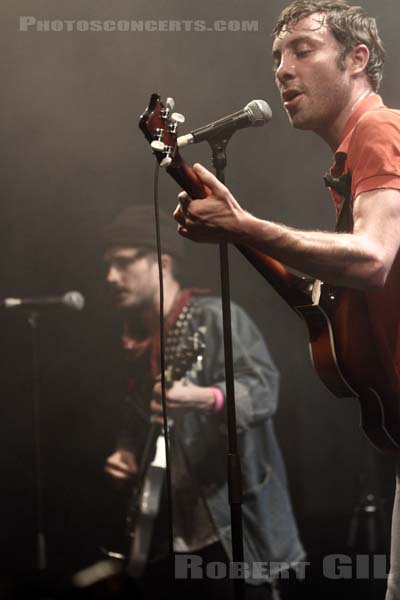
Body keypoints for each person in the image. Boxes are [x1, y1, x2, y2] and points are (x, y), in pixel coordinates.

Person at [173, 1, 400, 598]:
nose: (282, 70)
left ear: (357, 60)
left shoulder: (378, 130)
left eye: (302, 49)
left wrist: (243, 225)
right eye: (277, 57)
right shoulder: (350, 157)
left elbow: (373, 259)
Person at [102, 204, 305, 599]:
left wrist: (206, 397)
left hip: (229, 524)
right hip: (170, 530)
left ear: (162, 264)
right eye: (108, 266)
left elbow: (264, 389)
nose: (111, 277)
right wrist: (126, 452)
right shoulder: (136, 339)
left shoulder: (217, 319)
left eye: (124, 263)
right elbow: (137, 416)